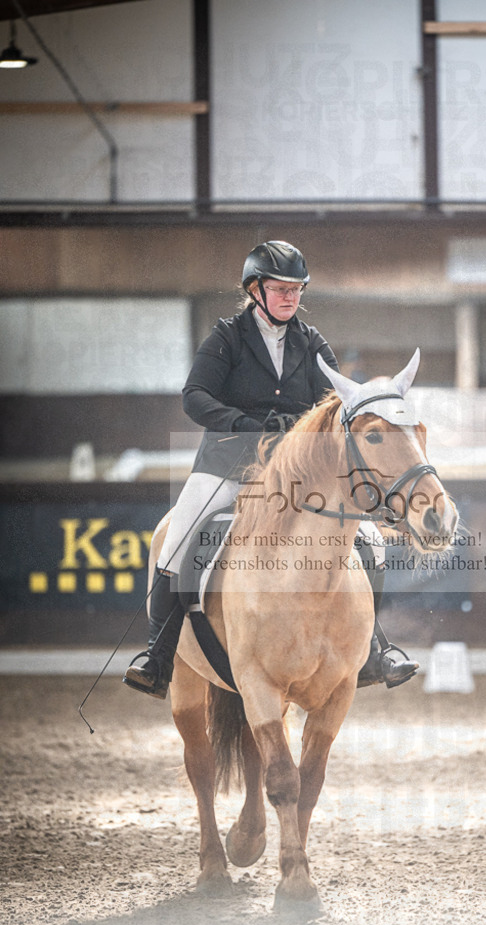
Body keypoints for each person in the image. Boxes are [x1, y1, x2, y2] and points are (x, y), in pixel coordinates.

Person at [123, 240, 418, 700]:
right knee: (180, 535)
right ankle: (157, 657)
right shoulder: (226, 337)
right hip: (227, 464)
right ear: (255, 289)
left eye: (297, 289)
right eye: (280, 289)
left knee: (371, 541)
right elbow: (195, 396)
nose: (290, 298)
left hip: (296, 476)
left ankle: (375, 648)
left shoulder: (311, 342)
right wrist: (241, 425)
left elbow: (334, 404)